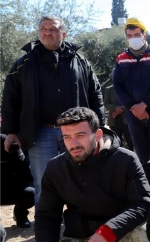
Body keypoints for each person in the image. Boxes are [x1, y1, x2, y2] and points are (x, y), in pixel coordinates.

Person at [31, 107, 150, 242]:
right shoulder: (55, 168)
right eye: (67, 137)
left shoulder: (126, 159)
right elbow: (46, 216)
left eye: (80, 135)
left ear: (97, 134)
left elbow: (145, 202)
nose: (73, 143)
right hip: (80, 239)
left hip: (117, 236)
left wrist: (108, 231)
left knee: (148, 234)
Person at [1, 15, 104, 207]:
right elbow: (10, 99)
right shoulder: (23, 64)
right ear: (39, 32)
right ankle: (46, 230)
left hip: (76, 133)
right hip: (40, 134)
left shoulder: (81, 62)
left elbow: (95, 94)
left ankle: (77, 228)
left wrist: (100, 127)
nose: (48, 33)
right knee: (43, 182)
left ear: (63, 34)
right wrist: (11, 132)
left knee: (79, 180)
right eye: (44, 29)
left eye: (54, 29)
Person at [113, 17, 150, 187]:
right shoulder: (121, 59)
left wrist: (144, 104)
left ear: (144, 36)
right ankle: (146, 193)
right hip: (133, 114)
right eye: (130, 35)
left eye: (137, 34)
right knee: (141, 154)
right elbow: (118, 87)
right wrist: (133, 107)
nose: (133, 38)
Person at [1, 133, 35, 228]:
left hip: (10, 185)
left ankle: (20, 214)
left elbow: (24, 171)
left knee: (30, 192)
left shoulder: (6, 142)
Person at [103, 82, 133, 151]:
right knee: (116, 142)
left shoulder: (128, 88)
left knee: (131, 141)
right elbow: (106, 103)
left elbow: (132, 101)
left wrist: (122, 109)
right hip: (114, 120)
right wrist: (115, 108)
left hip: (127, 120)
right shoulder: (109, 89)